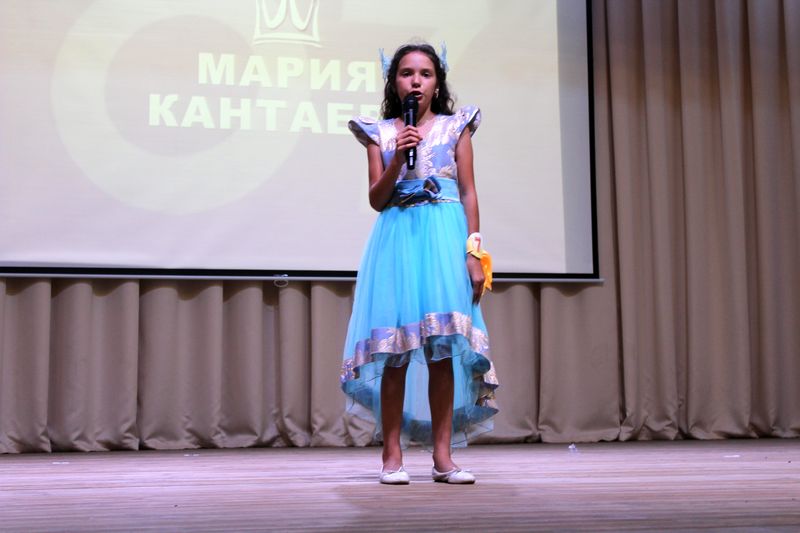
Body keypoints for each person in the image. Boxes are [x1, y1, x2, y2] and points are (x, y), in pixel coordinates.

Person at [340, 42, 498, 485]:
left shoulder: (455, 126)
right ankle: (391, 456)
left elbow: (468, 192)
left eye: (425, 74)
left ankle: (443, 457)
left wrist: (473, 253)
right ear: (394, 82)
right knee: (394, 351)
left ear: (437, 83)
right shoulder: (379, 133)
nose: (416, 81)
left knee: (442, 349)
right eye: (407, 73)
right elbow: (377, 199)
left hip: (443, 240)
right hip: (398, 240)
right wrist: (397, 158)